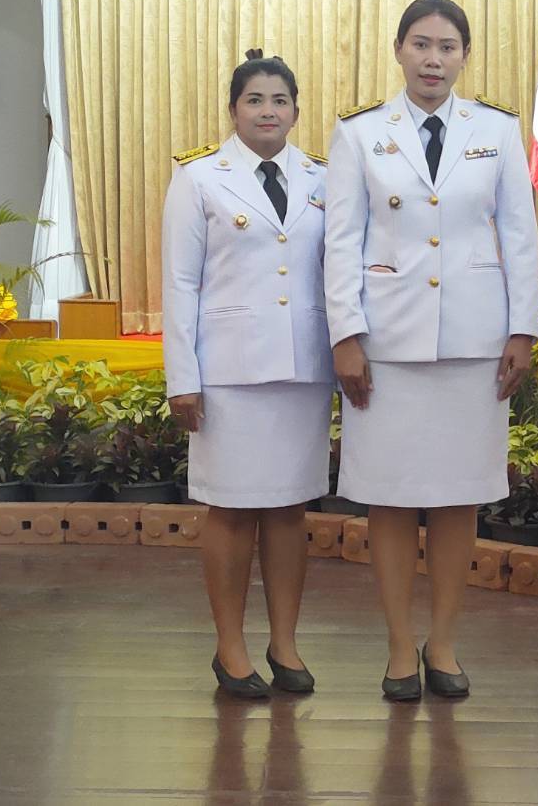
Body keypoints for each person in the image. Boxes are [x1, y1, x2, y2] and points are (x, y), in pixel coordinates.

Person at [323, 0, 538, 701]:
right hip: (387, 345)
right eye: (420, 44)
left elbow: (519, 234)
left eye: (447, 47)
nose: (433, 59)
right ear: (399, 50)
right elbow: (341, 242)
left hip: (475, 343)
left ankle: (442, 643)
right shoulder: (360, 132)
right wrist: (345, 335)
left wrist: (523, 328)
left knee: (457, 498)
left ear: (465, 56)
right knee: (387, 501)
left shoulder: (497, 129)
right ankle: (397, 647)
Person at [162, 50, 334, 699]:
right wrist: (183, 377)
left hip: (301, 367)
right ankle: (229, 647)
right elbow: (180, 283)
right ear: (233, 110)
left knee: (289, 509)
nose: (268, 111)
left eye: (279, 100)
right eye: (255, 100)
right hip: (228, 373)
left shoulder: (321, 177)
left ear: (296, 110)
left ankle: (284, 642)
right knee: (231, 510)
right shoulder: (200, 178)